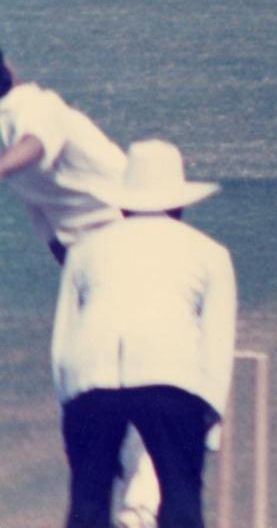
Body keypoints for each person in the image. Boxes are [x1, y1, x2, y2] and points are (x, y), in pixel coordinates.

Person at [0, 51, 162, 526]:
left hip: (130, 245)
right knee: (104, 386)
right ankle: (133, 504)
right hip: (104, 265)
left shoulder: (33, 106)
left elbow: (35, 144)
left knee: (135, 381)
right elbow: (51, 228)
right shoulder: (16, 114)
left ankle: (140, 507)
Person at [52, 138, 236, 528]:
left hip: (91, 378)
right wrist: (211, 418)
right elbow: (217, 342)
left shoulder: (86, 248)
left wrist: (68, 410)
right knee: (181, 498)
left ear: (121, 202)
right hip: (171, 377)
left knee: (88, 501)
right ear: (181, 203)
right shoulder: (210, 253)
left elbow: (64, 338)